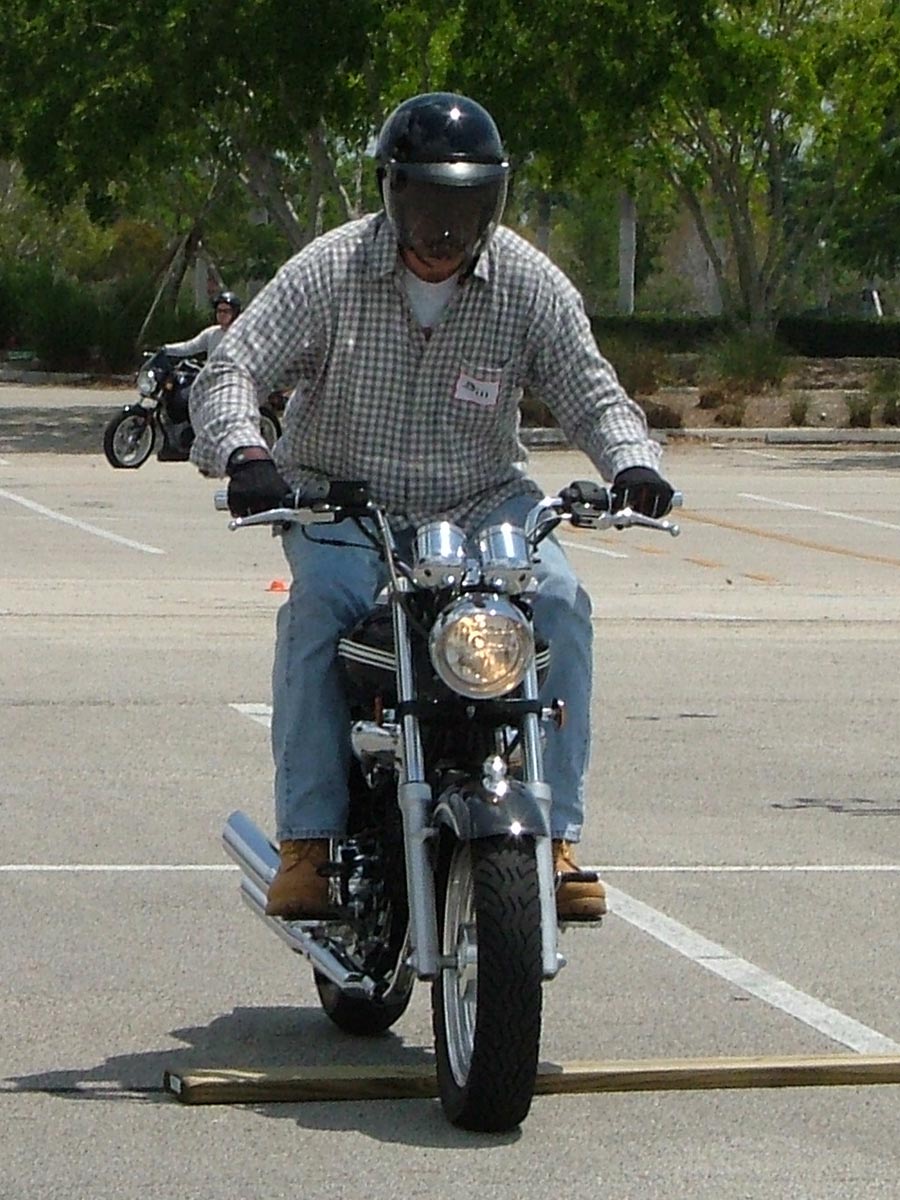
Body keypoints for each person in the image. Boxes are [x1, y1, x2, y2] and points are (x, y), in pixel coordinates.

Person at [188, 92, 674, 922]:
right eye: (426, 205)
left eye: (465, 207)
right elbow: (233, 369)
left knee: (561, 603)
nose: (444, 230)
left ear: (493, 203)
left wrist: (633, 462)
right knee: (319, 608)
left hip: (483, 503)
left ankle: (556, 836)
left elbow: (592, 392)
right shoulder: (330, 271)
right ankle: (309, 840)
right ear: (391, 191)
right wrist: (246, 453)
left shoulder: (527, 283)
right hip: (345, 505)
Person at [164, 291, 242, 359]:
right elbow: (189, 347)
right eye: (219, 311)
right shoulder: (211, 333)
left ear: (235, 313)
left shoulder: (242, 335)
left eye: (226, 311)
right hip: (213, 371)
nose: (221, 314)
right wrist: (166, 349)